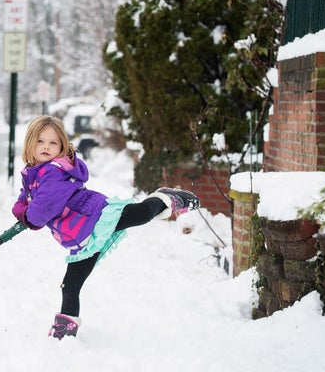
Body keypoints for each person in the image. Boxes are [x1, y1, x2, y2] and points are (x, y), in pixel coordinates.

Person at [11, 115, 199, 340]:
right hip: (81, 234)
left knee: (139, 214)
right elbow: (27, 198)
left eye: (53, 143)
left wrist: (27, 216)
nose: (46, 147)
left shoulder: (53, 171)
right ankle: (65, 330)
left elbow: (40, 211)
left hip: (93, 217)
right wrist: (21, 211)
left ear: (61, 146)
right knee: (70, 284)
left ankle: (166, 198)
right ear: (30, 143)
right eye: (40, 141)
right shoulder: (33, 171)